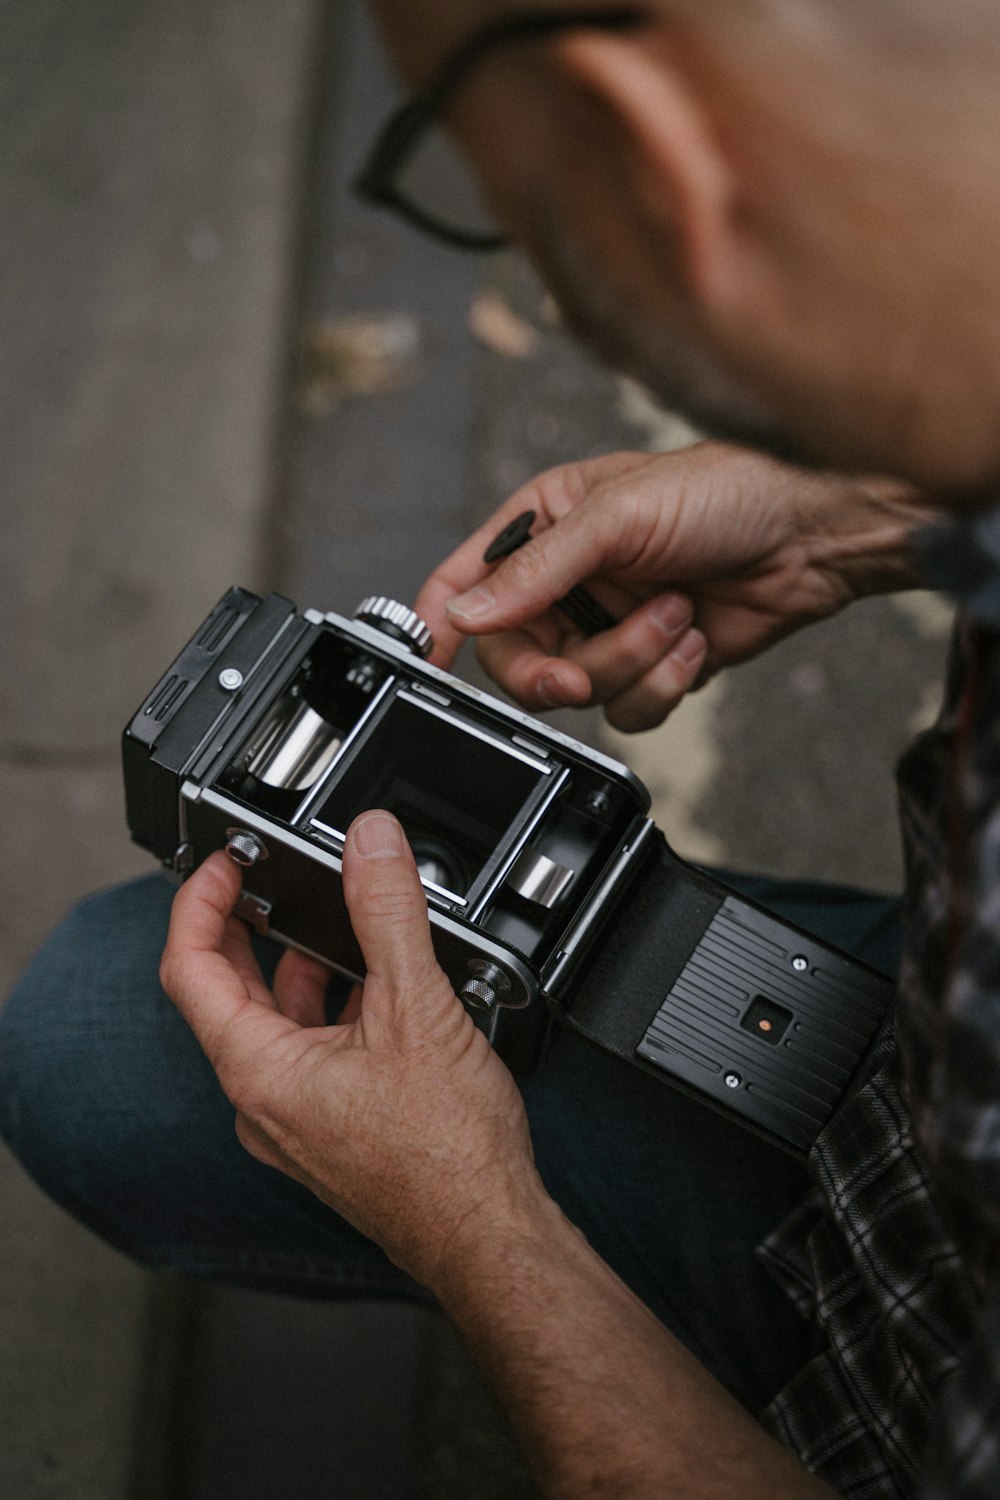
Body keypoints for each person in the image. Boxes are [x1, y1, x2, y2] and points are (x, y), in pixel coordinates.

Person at [2, 0, 1000, 1494]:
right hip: (928, 1068)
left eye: (472, 179)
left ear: (669, 175)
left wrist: (478, 1223)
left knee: (85, 1047)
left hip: (907, 1349)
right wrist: (856, 513)